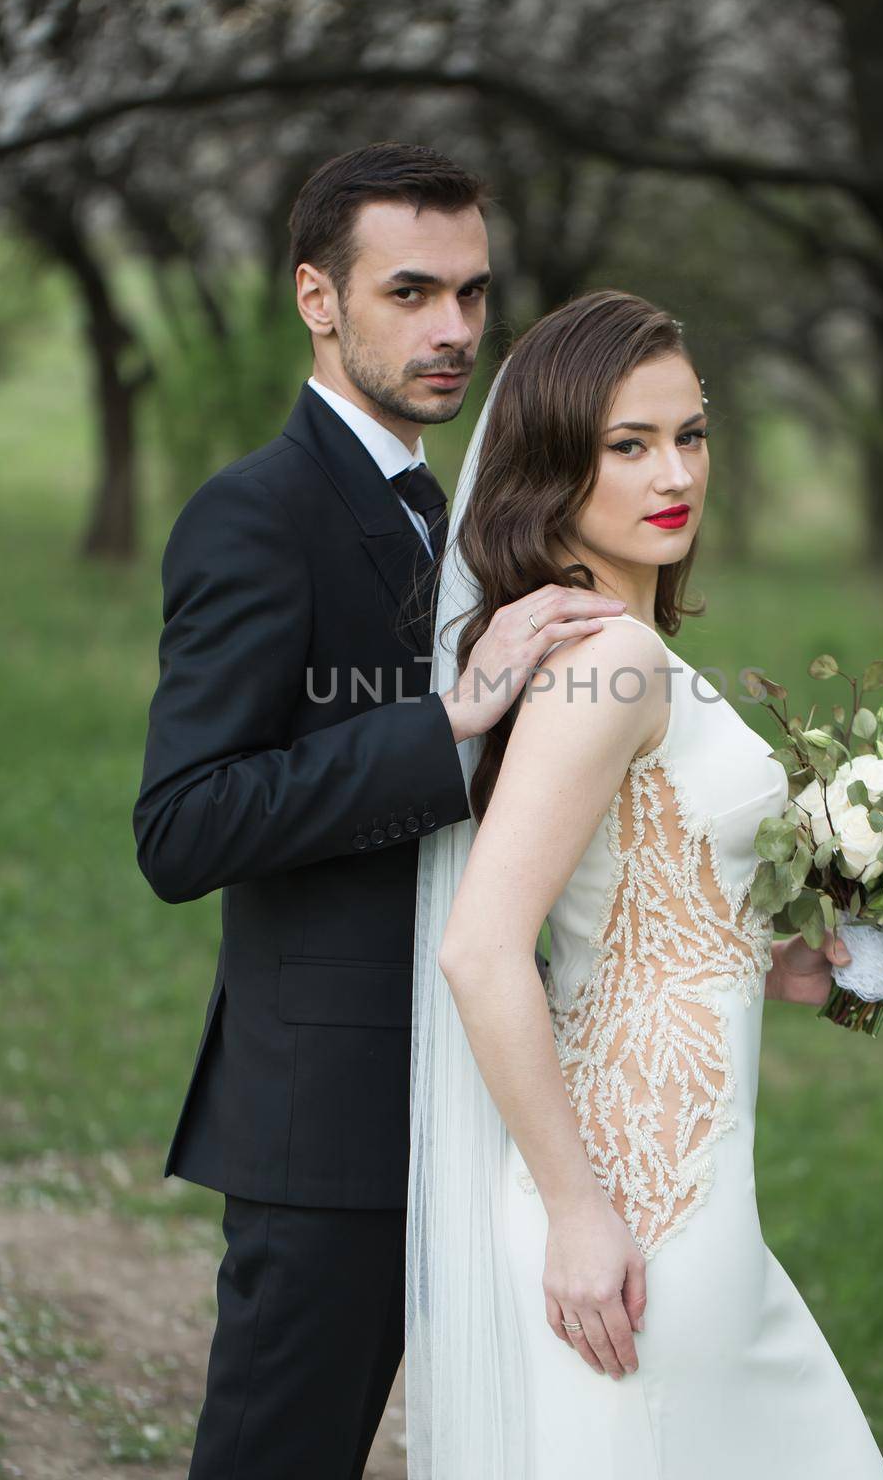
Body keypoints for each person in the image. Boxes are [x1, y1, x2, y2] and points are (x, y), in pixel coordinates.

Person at [132, 141, 626, 1479]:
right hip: (331, 1118)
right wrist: (440, 723)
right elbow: (182, 826)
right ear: (315, 296)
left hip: (488, 1090)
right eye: (411, 292)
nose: (455, 329)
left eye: (472, 294)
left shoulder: (462, 522)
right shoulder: (253, 517)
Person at [406, 289, 883, 1478]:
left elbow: (638, 900)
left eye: (687, 434)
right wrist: (581, 1215)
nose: (671, 470)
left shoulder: (624, 650)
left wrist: (793, 968)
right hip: (634, 1196)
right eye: (626, 445)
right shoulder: (615, 659)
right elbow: (481, 950)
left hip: (690, 1175)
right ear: (553, 467)